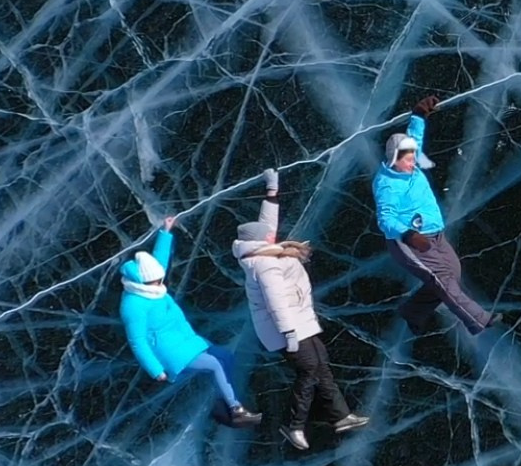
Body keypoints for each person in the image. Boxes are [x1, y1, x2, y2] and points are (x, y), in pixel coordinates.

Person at [235, 167, 370, 450]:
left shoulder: (261, 251)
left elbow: (266, 225)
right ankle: (292, 425)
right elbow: (276, 302)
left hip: (300, 320)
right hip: (287, 327)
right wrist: (289, 333)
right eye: (267, 237)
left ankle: (341, 416)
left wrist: (272, 191)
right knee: (309, 369)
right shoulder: (264, 263)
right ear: (259, 242)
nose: (272, 237)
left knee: (320, 363)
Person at [372, 95, 502, 337]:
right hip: (409, 241)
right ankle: (478, 319)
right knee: (443, 278)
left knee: (453, 271)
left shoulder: (410, 164)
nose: (413, 162)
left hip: (434, 233)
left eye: (413, 157)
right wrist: (409, 234)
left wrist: (419, 115)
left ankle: (412, 311)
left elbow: (415, 139)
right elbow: (385, 219)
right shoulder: (387, 184)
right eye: (407, 159)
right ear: (394, 160)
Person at [119, 214, 261, 428]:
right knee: (214, 364)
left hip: (185, 339)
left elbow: (160, 261)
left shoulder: (149, 282)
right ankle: (236, 410)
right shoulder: (133, 305)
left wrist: (165, 232)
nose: (160, 282)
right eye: (156, 281)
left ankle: (224, 401)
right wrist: (155, 370)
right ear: (142, 281)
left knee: (225, 357)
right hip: (169, 351)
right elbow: (138, 341)